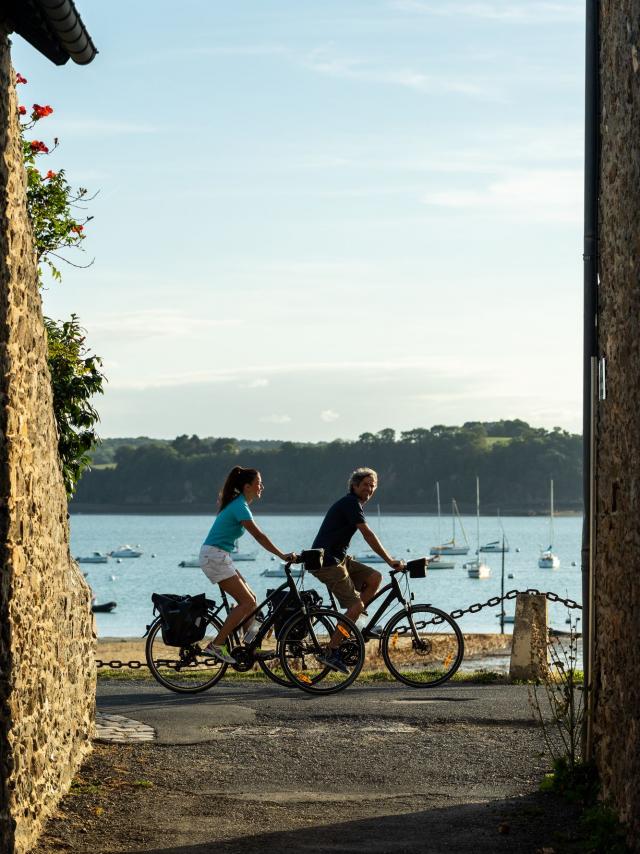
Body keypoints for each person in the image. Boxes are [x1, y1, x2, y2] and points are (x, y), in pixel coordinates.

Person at [310, 467, 403, 673]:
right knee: (355, 605)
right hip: (327, 562)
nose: (369, 489)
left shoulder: (354, 504)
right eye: (365, 485)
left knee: (374, 578)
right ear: (354, 486)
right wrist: (389, 560)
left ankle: (358, 623)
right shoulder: (350, 503)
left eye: (373, 486)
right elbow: (367, 534)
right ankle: (332, 650)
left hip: (339, 559)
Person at [199, 466, 294, 664]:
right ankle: (216, 645)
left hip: (218, 556)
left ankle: (250, 646)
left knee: (251, 600)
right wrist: (282, 555)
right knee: (247, 603)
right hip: (214, 557)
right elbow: (259, 536)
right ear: (247, 486)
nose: (262, 487)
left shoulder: (238, 503)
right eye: (259, 483)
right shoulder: (239, 506)